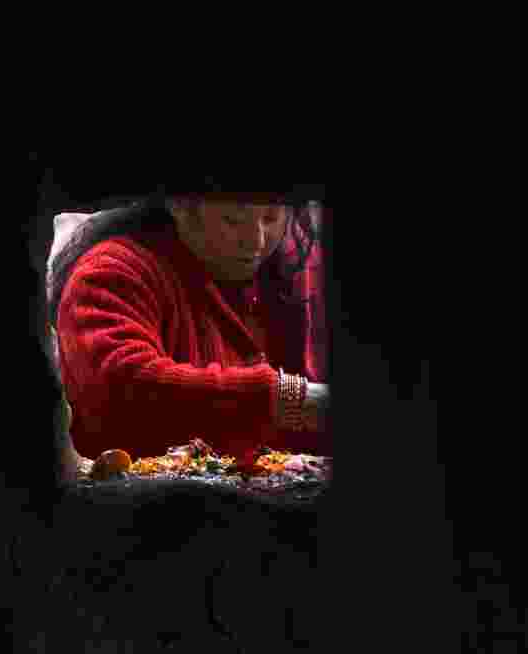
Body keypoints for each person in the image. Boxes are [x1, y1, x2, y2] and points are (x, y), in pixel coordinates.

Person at [47, 190, 329, 472]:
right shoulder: (112, 273)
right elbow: (121, 388)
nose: (256, 240)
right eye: (233, 220)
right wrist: (291, 400)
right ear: (179, 204)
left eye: (271, 218)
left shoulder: (298, 271)